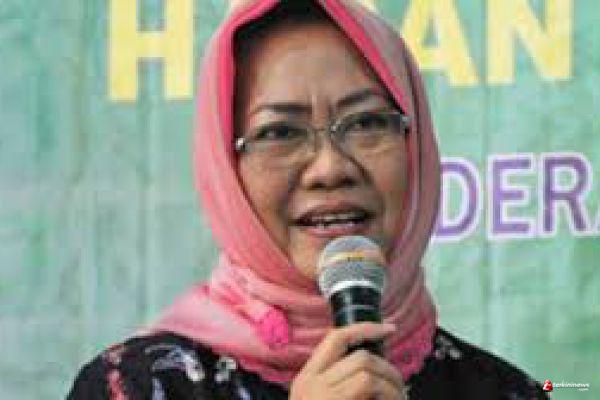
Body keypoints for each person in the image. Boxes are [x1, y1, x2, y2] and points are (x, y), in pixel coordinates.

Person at [68, 0, 548, 398]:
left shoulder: (503, 391)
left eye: (366, 123)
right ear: (226, 168)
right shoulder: (137, 387)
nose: (330, 168)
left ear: (415, 143)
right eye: (280, 132)